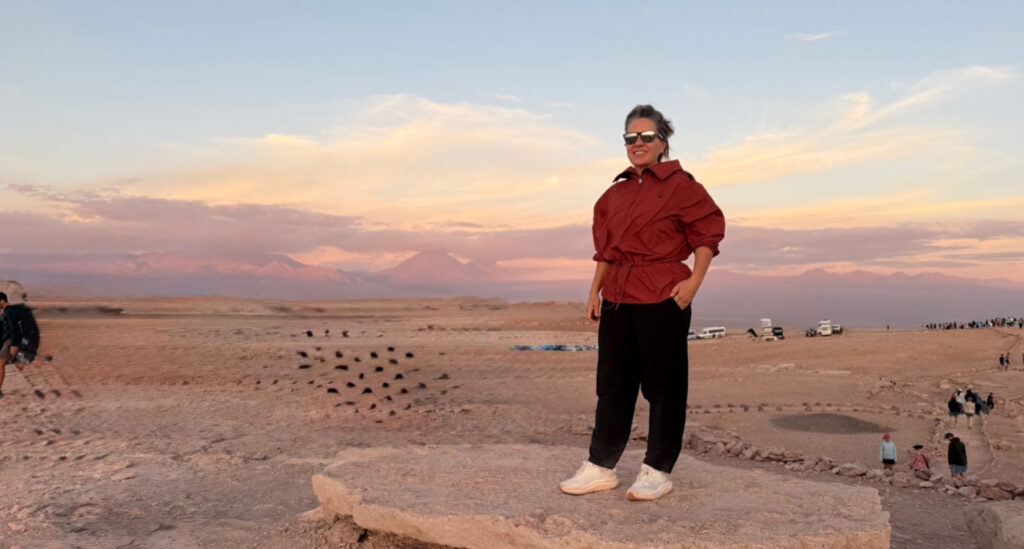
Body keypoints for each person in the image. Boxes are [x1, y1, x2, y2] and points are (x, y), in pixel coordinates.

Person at [560, 104, 725, 502]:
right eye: (630, 137)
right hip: (618, 296)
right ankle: (601, 466)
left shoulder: (683, 186)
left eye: (646, 136)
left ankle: (657, 470)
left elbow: (706, 237)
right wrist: (594, 291)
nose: (638, 143)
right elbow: (607, 251)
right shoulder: (613, 194)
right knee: (612, 384)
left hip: (662, 294)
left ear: (662, 142)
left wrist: (694, 283)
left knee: (664, 387)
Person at [0, 292, 41, 397]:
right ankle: (24, 359)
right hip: (12, 340)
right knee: (19, 366)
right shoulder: (9, 311)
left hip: (11, 341)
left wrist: (14, 344)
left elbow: (14, 328)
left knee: (0, 364)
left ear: (2, 301)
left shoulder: (9, 312)